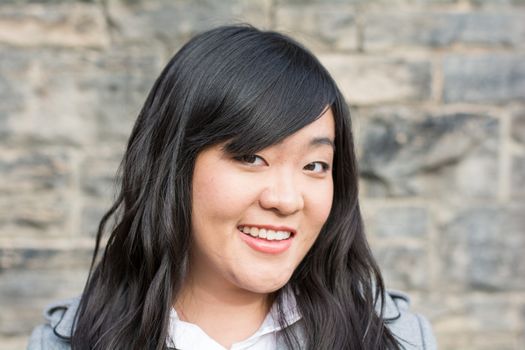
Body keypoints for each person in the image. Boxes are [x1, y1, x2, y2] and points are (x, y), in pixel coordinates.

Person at [28, 25, 436, 350]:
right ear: (173, 164)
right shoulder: (66, 342)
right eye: (251, 157)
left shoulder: (395, 340)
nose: (286, 199)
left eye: (315, 165)